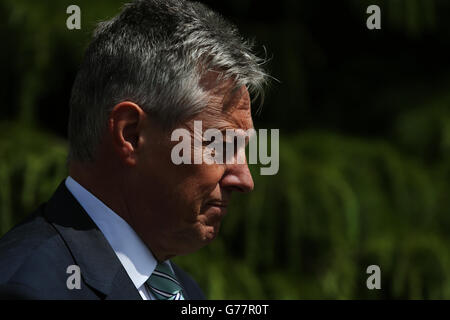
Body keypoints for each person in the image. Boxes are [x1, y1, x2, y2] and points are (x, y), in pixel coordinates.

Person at [0, 0, 268, 299]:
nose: (245, 179)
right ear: (130, 134)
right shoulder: (29, 289)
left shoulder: (187, 291)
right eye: (220, 144)